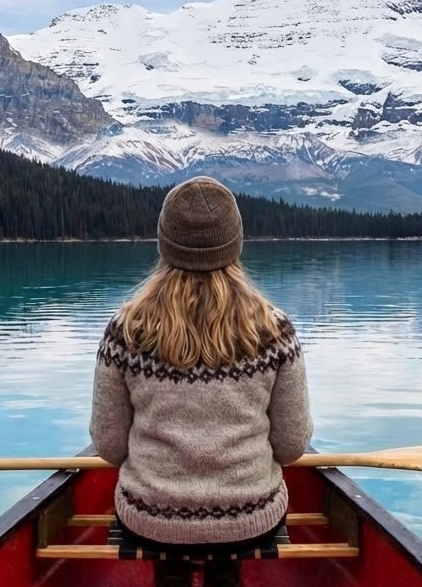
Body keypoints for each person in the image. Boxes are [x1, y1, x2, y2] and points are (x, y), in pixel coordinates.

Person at [89, 175, 314, 587]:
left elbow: (108, 445)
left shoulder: (125, 331)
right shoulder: (276, 331)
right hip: (251, 516)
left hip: (150, 517)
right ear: (235, 244)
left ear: (164, 242)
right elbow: (292, 445)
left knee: (169, 558)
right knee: (225, 560)